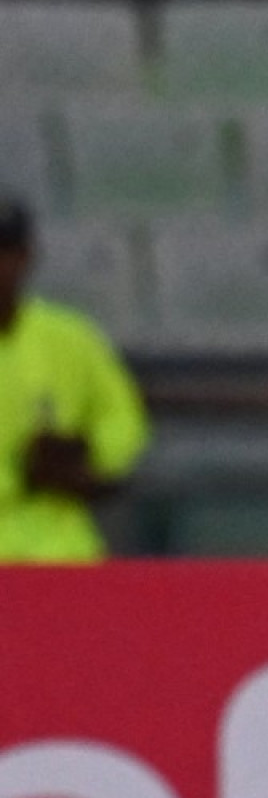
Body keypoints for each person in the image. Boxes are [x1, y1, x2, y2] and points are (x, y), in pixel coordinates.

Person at [0, 195, 150, 563]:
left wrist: (86, 456)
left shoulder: (70, 338)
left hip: (59, 551)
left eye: (5, 251)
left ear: (26, 256)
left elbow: (123, 419)